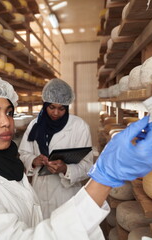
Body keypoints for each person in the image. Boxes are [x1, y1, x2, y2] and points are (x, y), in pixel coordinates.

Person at [0, 77, 152, 239]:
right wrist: (35, 161)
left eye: (9, 113)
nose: (6, 122)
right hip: (43, 189)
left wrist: (65, 169)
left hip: (65, 192)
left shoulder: (1, 164)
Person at [18, 78, 94, 219]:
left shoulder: (79, 126)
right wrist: (34, 160)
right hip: (39, 191)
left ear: (67, 107)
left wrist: (66, 169)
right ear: (45, 104)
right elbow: (23, 153)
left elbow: (88, 166)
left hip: (66, 195)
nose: (56, 113)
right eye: (51, 107)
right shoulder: (35, 125)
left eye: (61, 109)